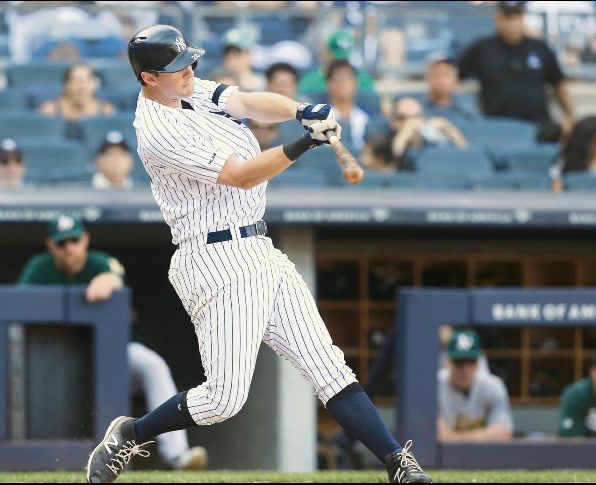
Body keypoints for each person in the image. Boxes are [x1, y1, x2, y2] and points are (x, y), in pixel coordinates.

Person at [84, 24, 432, 484]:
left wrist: (300, 109)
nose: (188, 70)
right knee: (224, 399)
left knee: (328, 367)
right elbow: (243, 175)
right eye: (174, 67)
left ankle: (398, 465)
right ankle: (131, 433)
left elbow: (246, 101)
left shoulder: (190, 90)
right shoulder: (158, 129)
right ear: (148, 78)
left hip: (259, 248)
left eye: (188, 61)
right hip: (214, 259)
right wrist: (304, 142)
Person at [18, 214, 209, 471]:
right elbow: (17, 304)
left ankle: (176, 454)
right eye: (62, 243)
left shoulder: (98, 262)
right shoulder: (39, 267)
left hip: (118, 353)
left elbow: (114, 275)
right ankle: (35, 461)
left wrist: (109, 279)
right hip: (60, 362)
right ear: (51, 245)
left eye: (74, 240)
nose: (69, 248)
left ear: (85, 240)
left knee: (153, 366)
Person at [458, 0, 575, 139]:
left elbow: (559, 83)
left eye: (517, 16)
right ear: (498, 18)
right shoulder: (482, 48)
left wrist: (570, 116)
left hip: (537, 126)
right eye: (507, 16)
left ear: (523, 17)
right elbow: (456, 76)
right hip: (496, 127)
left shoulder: (540, 48)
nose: (512, 21)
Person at [437, 330, 514, 442]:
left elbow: (504, 435)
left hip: (485, 457)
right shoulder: (435, 385)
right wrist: (487, 435)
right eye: (459, 362)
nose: (465, 369)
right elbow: (434, 437)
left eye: (470, 362)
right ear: (447, 363)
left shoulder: (493, 386)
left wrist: (452, 436)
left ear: (478, 364)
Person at [39, 64, 116, 136]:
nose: (81, 87)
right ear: (66, 85)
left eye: (87, 81)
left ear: (95, 85)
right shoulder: (50, 110)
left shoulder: (106, 111)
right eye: (75, 81)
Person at [298, 29, 376, 95]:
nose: (339, 65)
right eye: (336, 60)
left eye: (344, 61)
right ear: (327, 52)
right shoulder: (311, 81)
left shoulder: (364, 80)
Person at [326, 59, 369, 153]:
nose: (344, 84)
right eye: (340, 79)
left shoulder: (364, 117)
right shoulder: (320, 117)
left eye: (348, 79)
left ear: (355, 84)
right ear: (329, 84)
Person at [423, 56, 478, 123]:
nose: (441, 81)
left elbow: (477, 127)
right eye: (436, 75)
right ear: (427, 78)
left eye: (446, 75)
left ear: (456, 79)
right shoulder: (419, 106)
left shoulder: (467, 104)